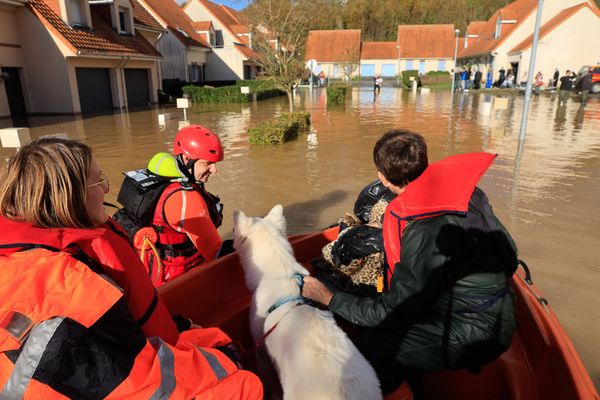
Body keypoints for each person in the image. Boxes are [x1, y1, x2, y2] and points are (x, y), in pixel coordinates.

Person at [0, 137, 263, 398]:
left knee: (208, 340)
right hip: (110, 375)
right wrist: (227, 359)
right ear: (68, 196)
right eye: (97, 179)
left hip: (75, 370)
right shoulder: (75, 282)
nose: (105, 188)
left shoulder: (21, 258)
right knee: (246, 384)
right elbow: (139, 383)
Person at [303, 129, 518, 396]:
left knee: (370, 352)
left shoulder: (423, 230)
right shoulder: (470, 195)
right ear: (424, 161)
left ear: (382, 177)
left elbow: (391, 313)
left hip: (475, 331)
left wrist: (329, 298)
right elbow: (511, 259)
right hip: (500, 310)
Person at [115, 125, 231, 287]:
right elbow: (216, 252)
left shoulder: (161, 179)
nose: (214, 169)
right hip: (180, 281)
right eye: (207, 163)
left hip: (154, 275)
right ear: (186, 159)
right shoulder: (186, 198)